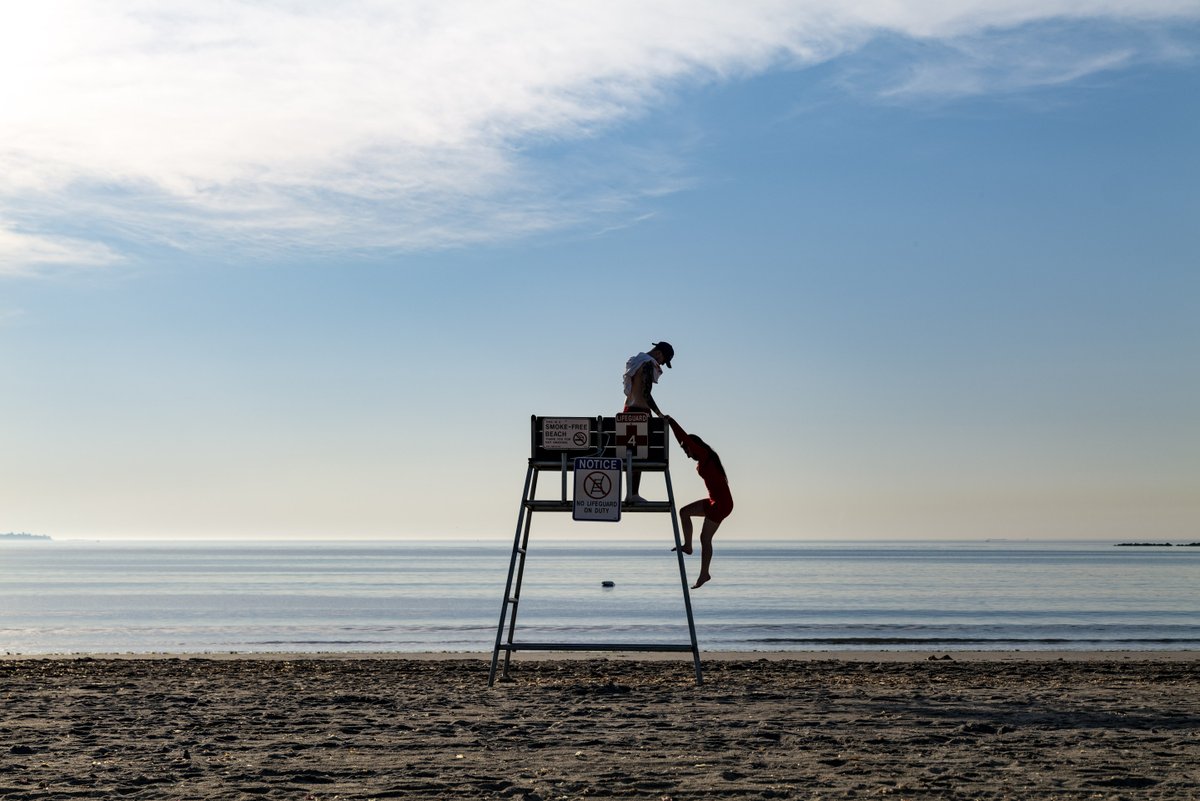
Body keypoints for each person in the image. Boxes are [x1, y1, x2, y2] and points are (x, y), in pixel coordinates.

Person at [667, 416, 732, 589]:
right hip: (714, 501)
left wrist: (670, 422)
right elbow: (685, 442)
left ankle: (705, 574)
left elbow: (683, 437)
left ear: (692, 446)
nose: (687, 455)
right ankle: (688, 546)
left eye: (687, 451)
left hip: (722, 503)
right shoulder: (703, 458)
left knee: (705, 538)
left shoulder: (704, 454)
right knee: (683, 512)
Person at [622, 342, 674, 415]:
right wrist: (660, 414)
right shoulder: (648, 364)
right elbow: (646, 394)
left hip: (627, 411)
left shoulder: (634, 361)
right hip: (642, 413)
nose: (662, 364)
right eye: (664, 361)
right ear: (658, 353)